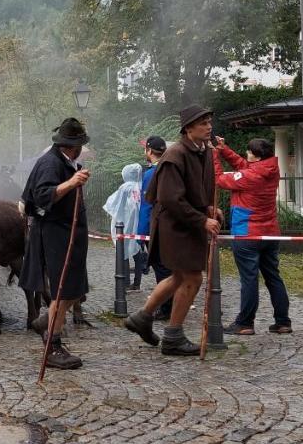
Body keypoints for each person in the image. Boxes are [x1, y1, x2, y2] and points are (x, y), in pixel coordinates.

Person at [123, 106, 221, 357]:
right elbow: (170, 199)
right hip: (175, 226)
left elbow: (198, 188)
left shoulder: (203, 152)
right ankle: (173, 336)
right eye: (203, 123)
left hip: (189, 224)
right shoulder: (175, 155)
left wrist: (209, 207)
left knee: (179, 277)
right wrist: (201, 220)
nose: (209, 127)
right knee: (192, 278)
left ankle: (142, 317)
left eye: (209, 122)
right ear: (188, 128)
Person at [20, 117, 92, 370]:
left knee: (75, 288)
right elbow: (40, 197)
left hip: (69, 234)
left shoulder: (67, 161)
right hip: (55, 235)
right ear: (72, 145)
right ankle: (52, 346)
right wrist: (71, 183)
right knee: (63, 291)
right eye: (80, 143)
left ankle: (45, 321)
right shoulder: (50, 163)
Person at [214, 137, 291, 335]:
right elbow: (244, 166)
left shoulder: (250, 176)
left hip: (247, 233)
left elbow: (220, 179)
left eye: (248, 152)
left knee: (249, 279)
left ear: (255, 156)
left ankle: (245, 323)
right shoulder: (269, 169)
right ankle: (283, 322)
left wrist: (214, 154)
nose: (246, 155)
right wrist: (224, 149)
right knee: (273, 276)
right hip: (270, 233)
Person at [133, 136, 169, 302]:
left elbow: (147, 206)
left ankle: (165, 305)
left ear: (149, 151)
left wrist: (141, 233)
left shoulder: (150, 174)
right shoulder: (171, 169)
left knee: (161, 267)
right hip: (172, 225)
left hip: (156, 227)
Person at [102, 163, 142, 271]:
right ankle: (137, 282)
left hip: (125, 221)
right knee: (136, 248)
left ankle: (126, 281)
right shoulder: (140, 186)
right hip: (137, 220)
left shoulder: (126, 187)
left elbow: (115, 202)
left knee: (123, 249)